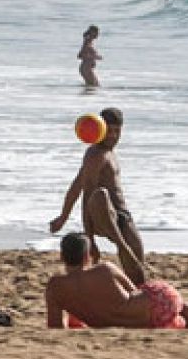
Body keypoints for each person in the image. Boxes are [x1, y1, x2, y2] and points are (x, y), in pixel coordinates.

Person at [45, 233, 188, 330]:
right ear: (88, 256)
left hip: (144, 323)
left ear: (62, 256)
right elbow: (135, 289)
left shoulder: (55, 287)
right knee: (173, 305)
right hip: (152, 308)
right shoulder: (105, 269)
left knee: (176, 318)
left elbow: (55, 327)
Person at [50, 107, 147, 283]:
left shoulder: (108, 153)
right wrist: (90, 239)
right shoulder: (95, 154)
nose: (113, 136)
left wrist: (63, 217)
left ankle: (137, 296)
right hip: (102, 215)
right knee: (101, 195)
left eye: (117, 131)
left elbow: (76, 185)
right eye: (108, 131)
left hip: (122, 216)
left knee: (137, 262)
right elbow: (87, 194)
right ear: (99, 130)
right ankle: (120, 244)